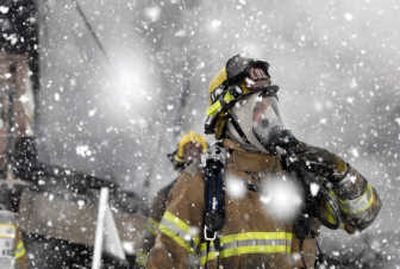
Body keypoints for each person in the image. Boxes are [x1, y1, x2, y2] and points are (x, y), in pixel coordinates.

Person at [146, 55, 381, 269]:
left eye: (270, 107)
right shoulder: (201, 183)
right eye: (256, 109)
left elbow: (363, 216)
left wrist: (337, 169)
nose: (267, 119)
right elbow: (163, 260)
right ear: (230, 118)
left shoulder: (296, 174)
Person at [135, 131, 208, 267]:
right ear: (181, 156)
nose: (193, 156)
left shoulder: (212, 192)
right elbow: (151, 234)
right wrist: (142, 263)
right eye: (188, 150)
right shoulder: (165, 194)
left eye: (197, 150)